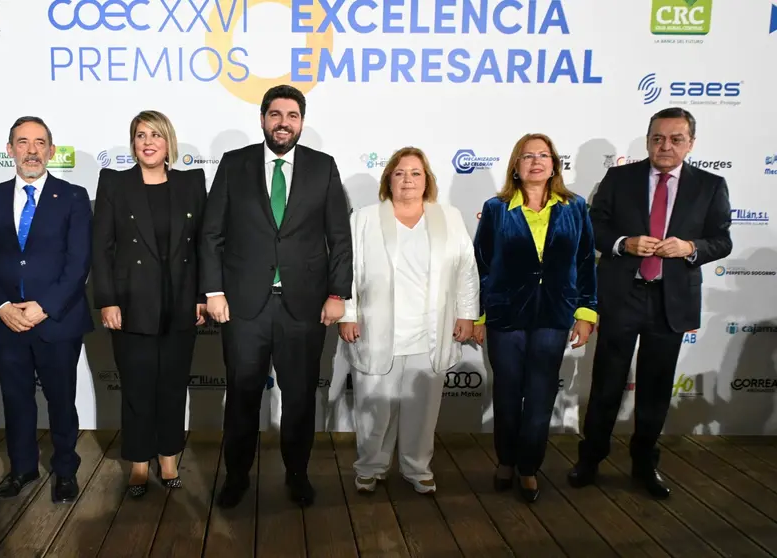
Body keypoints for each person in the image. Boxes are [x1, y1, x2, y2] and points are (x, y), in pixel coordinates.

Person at [200, 85, 353, 508]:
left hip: (303, 307)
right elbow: (212, 233)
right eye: (275, 114)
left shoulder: (323, 167)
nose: (283, 123)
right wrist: (213, 291)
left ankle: (298, 474)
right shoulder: (235, 164)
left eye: (292, 115)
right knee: (243, 396)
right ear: (263, 118)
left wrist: (339, 294)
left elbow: (339, 238)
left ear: (301, 122)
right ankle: (236, 477)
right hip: (244, 306)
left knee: (301, 398)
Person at [569, 108, 732, 499]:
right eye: (658, 138)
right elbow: (593, 227)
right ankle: (590, 458)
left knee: (656, 389)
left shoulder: (710, 185)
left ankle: (645, 464)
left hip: (670, 301)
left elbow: (722, 240)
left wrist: (690, 247)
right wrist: (623, 244)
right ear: (647, 140)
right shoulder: (619, 178)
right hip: (622, 296)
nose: (665, 146)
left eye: (676, 139)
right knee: (607, 384)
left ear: (691, 144)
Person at [336, 147, 478, 495]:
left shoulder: (449, 217)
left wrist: (467, 314)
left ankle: (417, 467)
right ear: (388, 180)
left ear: (427, 179)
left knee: (422, 408)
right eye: (399, 173)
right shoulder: (365, 218)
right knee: (375, 407)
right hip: (376, 329)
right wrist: (349, 314)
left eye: (415, 173)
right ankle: (370, 467)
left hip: (431, 331)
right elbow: (348, 271)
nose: (408, 180)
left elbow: (466, 270)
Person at [0, 116, 93, 504]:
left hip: (56, 321)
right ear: (10, 150)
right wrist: (3, 307)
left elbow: (79, 262)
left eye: (40, 143)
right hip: (6, 323)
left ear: (52, 151)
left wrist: (45, 307)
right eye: (23, 142)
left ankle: (66, 472)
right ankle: (22, 469)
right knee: (16, 400)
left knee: (61, 399)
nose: (32, 150)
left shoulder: (73, 196)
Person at [471, 133, 597, 503]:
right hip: (505, 316)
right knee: (508, 395)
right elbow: (480, 265)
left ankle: (528, 467)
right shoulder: (496, 208)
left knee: (540, 397)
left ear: (555, 164)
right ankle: (506, 461)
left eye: (544, 155)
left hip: (554, 316)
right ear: (516, 165)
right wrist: (479, 315)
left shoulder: (575, 208)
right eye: (528, 156)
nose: (536, 161)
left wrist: (586, 313)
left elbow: (587, 262)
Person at [92, 110, 207, 497]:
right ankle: (139, 462)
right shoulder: (114, 182)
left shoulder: (192, 182)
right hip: (131, 304)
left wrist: (201, 296)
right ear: (133, 143)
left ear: (168, 141)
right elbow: (101, 247)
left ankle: (169, 457)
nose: (148, 142)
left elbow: (204, 245)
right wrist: (107, 300)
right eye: (141, 135)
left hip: (180, 305)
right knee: (137, 387)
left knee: (173, 387)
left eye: (155, 135)